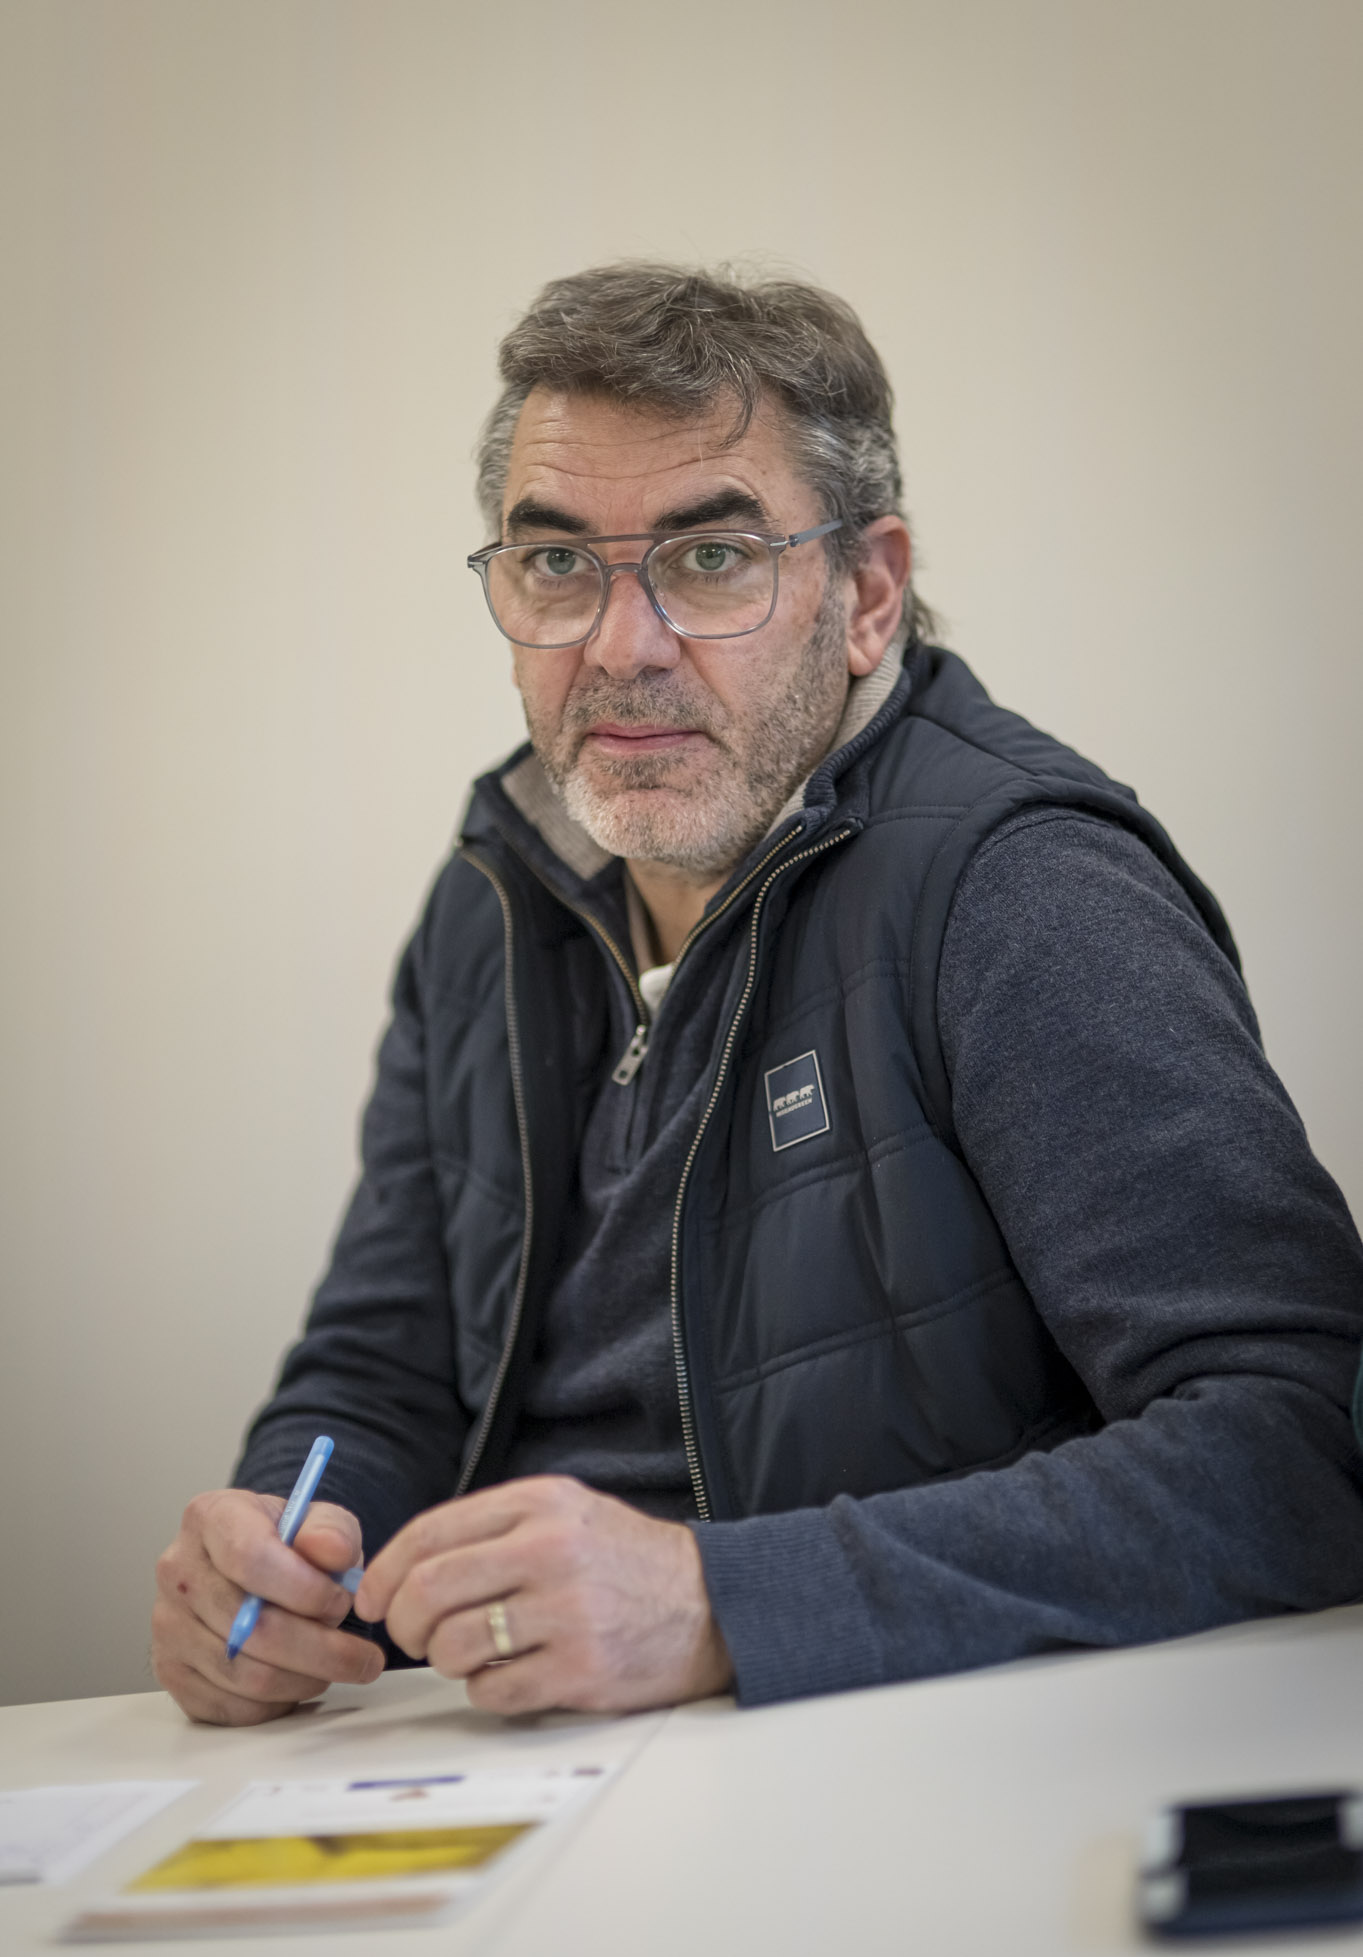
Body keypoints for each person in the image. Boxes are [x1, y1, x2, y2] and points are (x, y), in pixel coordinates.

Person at [152, 264, 1363, 1728]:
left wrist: (725, 1604)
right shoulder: (493, 898)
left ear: (867, 593)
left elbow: (1299, 1443)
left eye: (712, 557)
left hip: (867, 1757)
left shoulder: (1019, 884)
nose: (621, 645)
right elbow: (381, 1371)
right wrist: (279, 1556)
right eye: (556, 563)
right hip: (499, 1755)